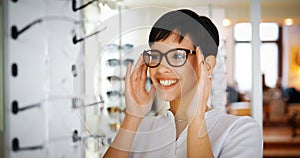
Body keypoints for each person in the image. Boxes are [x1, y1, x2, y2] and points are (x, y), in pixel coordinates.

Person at [103, 9, 262, 158]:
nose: (161, 67)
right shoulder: (140, 129)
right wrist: (133, 116)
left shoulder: (240, 131)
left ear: (207, 65)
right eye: (156, 55)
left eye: (177, 56)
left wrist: (196, 117)